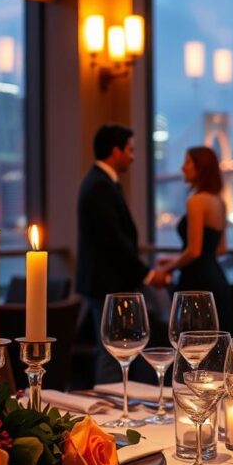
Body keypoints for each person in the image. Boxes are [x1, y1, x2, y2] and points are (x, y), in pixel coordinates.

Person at [77, 124, 167, 384]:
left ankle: (116, 403)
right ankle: (109, 407)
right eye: (130, 149)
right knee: (112, 351)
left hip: (107, 283)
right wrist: (148, 275)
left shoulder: (100, 182)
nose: (133, 156)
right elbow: (113, 243)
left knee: (115, 350)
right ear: (115, 151)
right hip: (108, 285)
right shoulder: (99, 186)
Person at [154, 147, 232, 333]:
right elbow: (220, 249)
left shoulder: (196, 201)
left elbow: (194, 251)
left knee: (191, 342)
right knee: (217, 342)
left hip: (196, 282)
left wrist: (167, 268)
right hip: (217, 279)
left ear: (200, 167)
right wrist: (177, 260)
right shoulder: (218, 200)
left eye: (187, 162)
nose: (182, 168)